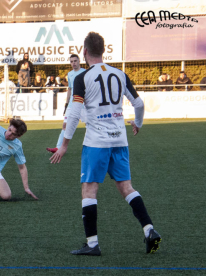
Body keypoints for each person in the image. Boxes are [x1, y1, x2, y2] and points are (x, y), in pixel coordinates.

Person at [50, 32, 161, 256]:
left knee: (89, 190)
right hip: (119, 139)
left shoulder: (83, 78)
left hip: (96, 142)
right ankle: (149, 230)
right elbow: (138, 103)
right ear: (103, 51)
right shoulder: (119, 74)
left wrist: (64, 145)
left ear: (85, 52)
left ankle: (92, 245)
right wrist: (137, 123)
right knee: (126, 188)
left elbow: (73, 115)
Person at [46, 54, 86, 153]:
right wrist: (66, 103)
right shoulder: (70, 74)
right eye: (71, 61)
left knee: (90, 125)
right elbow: (70, 89)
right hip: (72, 104)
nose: (73, 63)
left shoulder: (85, 72)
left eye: (75, 61)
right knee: (65, 125)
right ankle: (58, 148)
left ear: (79, 61)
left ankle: (94, 146)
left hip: (83, 104)